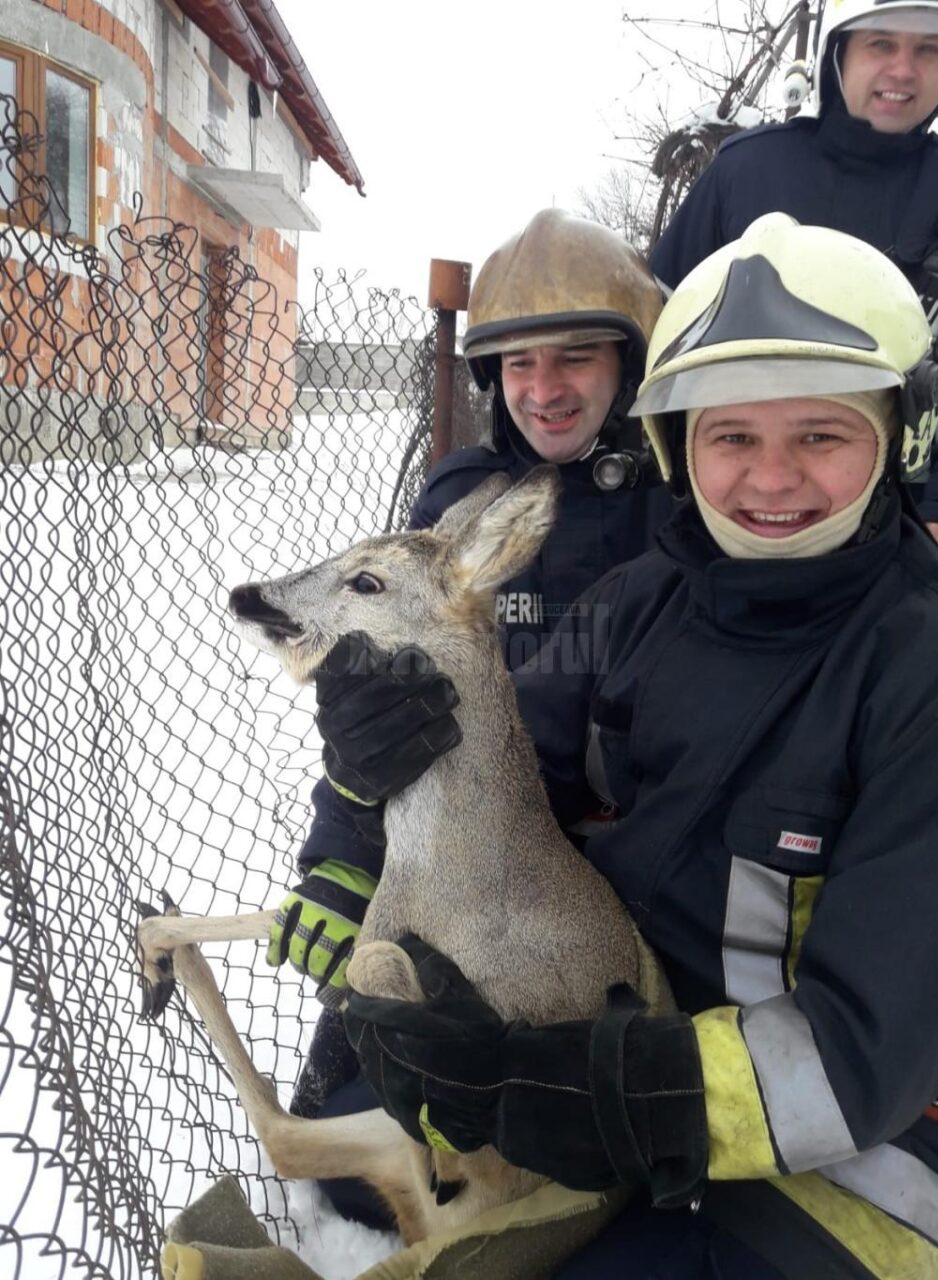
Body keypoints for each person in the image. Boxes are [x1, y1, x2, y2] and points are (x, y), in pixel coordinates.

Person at [321, 214, 938, 1278]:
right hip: (615, 1044)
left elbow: (859, 1056)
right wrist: (377, 762)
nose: (771, 478)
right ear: (677, 443)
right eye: (731, 437)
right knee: (355, 1157)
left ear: (901, 435)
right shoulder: (632, 604)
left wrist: (576, 1089)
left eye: (820, 435)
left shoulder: (929, 673)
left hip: (839, 1173)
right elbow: (509, 770)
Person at [265, 211, 673, 1221]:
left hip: (618, 874)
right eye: (518, 363)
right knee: (360, 1159)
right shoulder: (457, 499)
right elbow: (379, 704)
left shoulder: (679, 504)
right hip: (459, 862)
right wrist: (343, 853)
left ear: (630, 364)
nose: (544, 388)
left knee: (576, 1154)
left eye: (576, 357)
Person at [650, 0, 938, 563]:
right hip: (736, 515)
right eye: (881, 44)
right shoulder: (745, 171)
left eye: (928, 50)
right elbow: (658, 333)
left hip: (905, 529)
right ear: (837, 54)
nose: (903, 70)